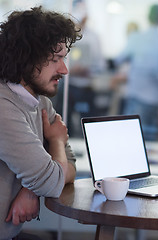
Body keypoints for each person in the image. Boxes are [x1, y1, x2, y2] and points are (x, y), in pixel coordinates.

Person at [0, 6, 81, 239]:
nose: (64, 69)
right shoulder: (4, 107)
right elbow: (53, 180)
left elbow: (70, 164)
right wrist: (55, 141)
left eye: (63, 58)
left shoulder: (40, 102)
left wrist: (31, 188)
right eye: (55, 59)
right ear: (25, 57)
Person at [113, 4, 158, 137]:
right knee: (150, 143)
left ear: (147, 16)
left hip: (137, 99)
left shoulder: (137, 39)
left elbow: (118, 60)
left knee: (132, 139)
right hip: (156, 101)